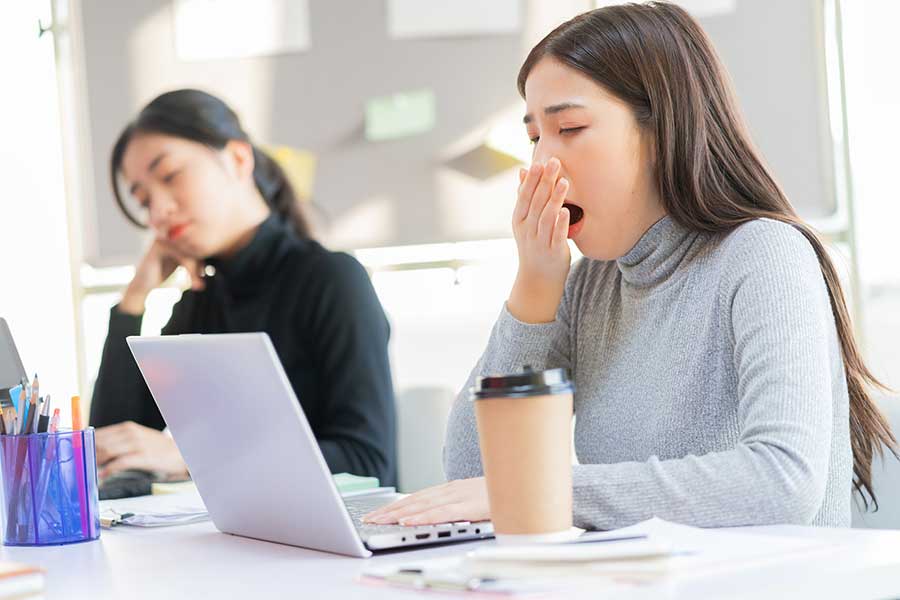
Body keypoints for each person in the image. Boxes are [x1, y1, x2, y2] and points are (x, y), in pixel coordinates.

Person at [365, 2, 896, 529]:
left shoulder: (765, 255)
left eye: (569, 128)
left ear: (663, 129)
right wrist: (534, 286)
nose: (542, 163)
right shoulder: (590, 283)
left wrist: (549, 492)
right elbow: (476, 473)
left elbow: (783, 481)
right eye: (533, 137)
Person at [89, 89, 397, 486]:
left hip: (330, 542)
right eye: (144, 200)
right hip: (240, 539)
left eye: (169, 176)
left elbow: (367, 461)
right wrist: (134, 300)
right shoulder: (200, 302)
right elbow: (114, 445)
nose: (159, 210)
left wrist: (194, 457)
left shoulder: (332, 280)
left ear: (237, 159)